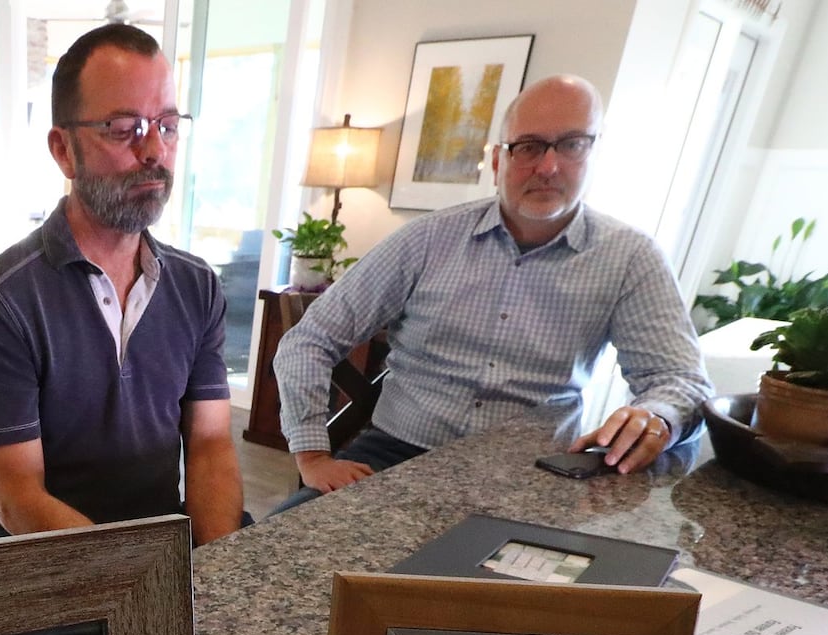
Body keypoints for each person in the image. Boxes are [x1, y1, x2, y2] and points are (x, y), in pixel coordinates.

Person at [275, 75, 713, 504]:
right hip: (395, 456)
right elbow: (309, 340)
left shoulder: (630, 257)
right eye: (529, 146)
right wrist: (313, 455)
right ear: (499, 160)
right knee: (267, 559)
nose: (548, 166)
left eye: (571, 144)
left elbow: (682, 381)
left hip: (535, 475)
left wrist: (657, 416)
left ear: (594, 153)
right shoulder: (426, 239)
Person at [0, 23, 243, 545]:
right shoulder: (1, 300)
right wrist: (138, 587)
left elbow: (211, 444)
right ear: (63, 150)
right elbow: (19, 499)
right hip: (36, 563)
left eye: (168, 125)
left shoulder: (196, 285)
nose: (154, 149)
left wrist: (214, 567)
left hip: (157, 546)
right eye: (123, 127)